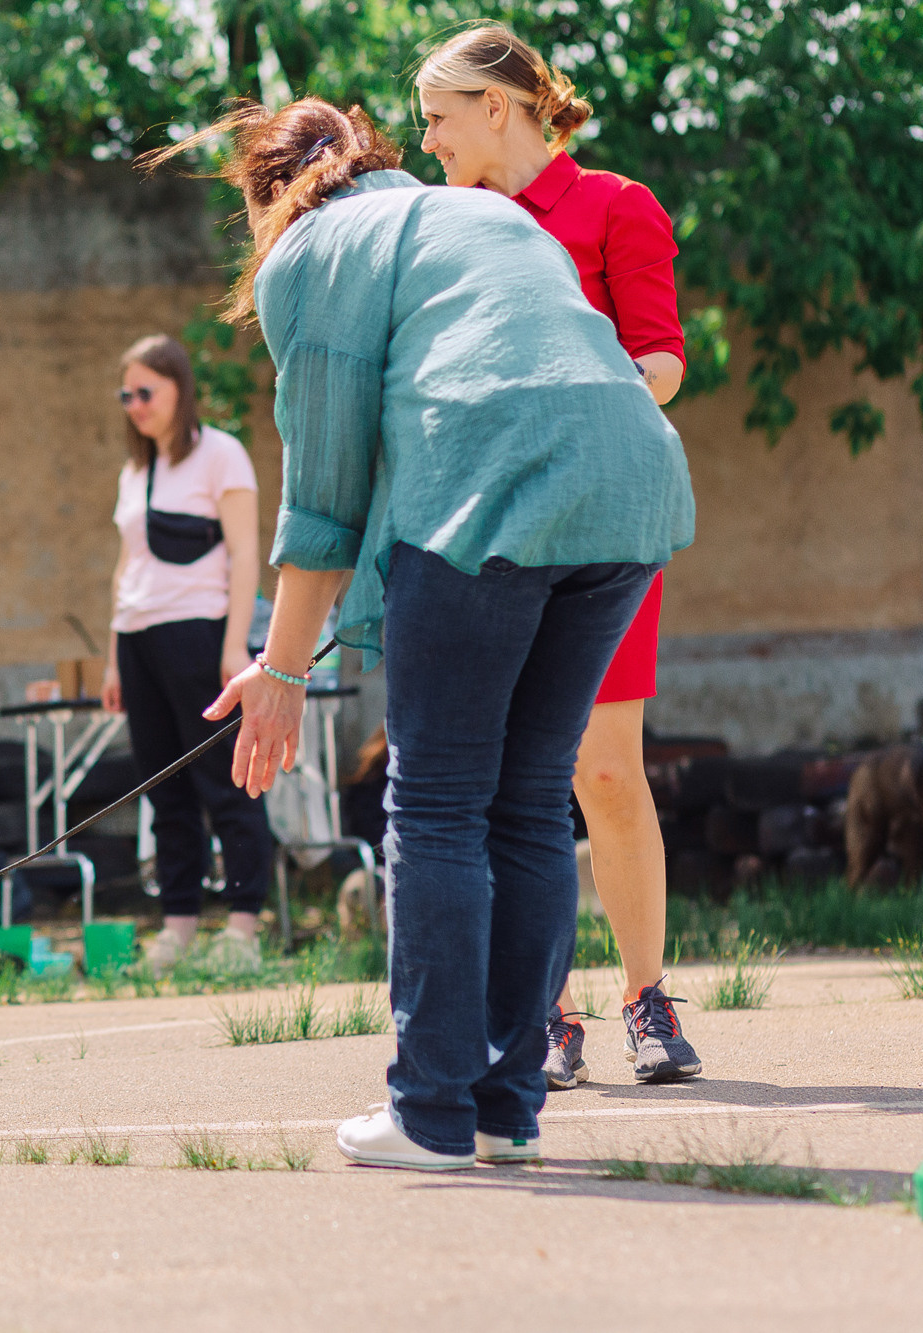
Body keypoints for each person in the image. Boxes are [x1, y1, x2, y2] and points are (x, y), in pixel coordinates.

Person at [153, 97, 692, 1170]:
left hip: (496, 492)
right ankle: (504, 1111)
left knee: (436, 804)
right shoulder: (473, 213)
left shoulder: (306, 255)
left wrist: (280, 670)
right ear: (373, 158)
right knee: (531, 801)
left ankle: (430, 1112)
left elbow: (323, 496)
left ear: (267, 195)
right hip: (630, 485)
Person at [416, 24, 701, 1087]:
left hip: (603, 517)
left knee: (602, 768)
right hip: (492, 526)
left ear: (499, 107)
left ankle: (645, 999)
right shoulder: (446, 228)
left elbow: (663, 363)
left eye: (439, 117)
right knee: (505, 777)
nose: (428, 141)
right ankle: (549, 1015)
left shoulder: (614, 205)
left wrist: (568, 400)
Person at [98, 334, 273, 974]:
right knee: (163, 788)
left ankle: (244, 926)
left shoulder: (220, 455)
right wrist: (117, 657)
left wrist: (235, 644)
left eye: (147, 391)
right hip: (140, 637)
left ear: (179, 388)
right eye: (127, 395)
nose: (136, 405)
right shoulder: (135, 470)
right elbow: (127, 567)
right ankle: (178, 926)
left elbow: (245, 553)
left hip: (201, 633)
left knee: (226, 781)